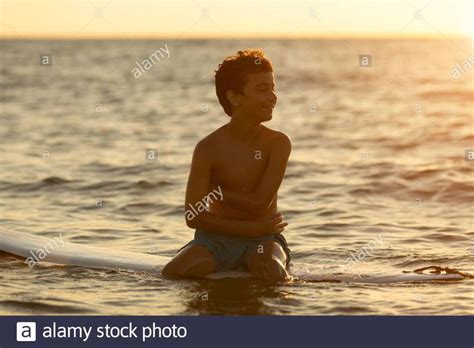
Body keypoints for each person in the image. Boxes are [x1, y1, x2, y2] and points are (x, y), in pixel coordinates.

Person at [161, 49, 292, 282]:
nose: (273, 96)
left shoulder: (278, 144)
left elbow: (259, 204)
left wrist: (217, 190)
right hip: (216, 240)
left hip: (263, 240)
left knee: (273, 271)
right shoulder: (208, 148)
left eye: (273, 88)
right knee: (173, 273)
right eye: (262, 89)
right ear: (235, 97)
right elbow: (193, 216)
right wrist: (251, 228)